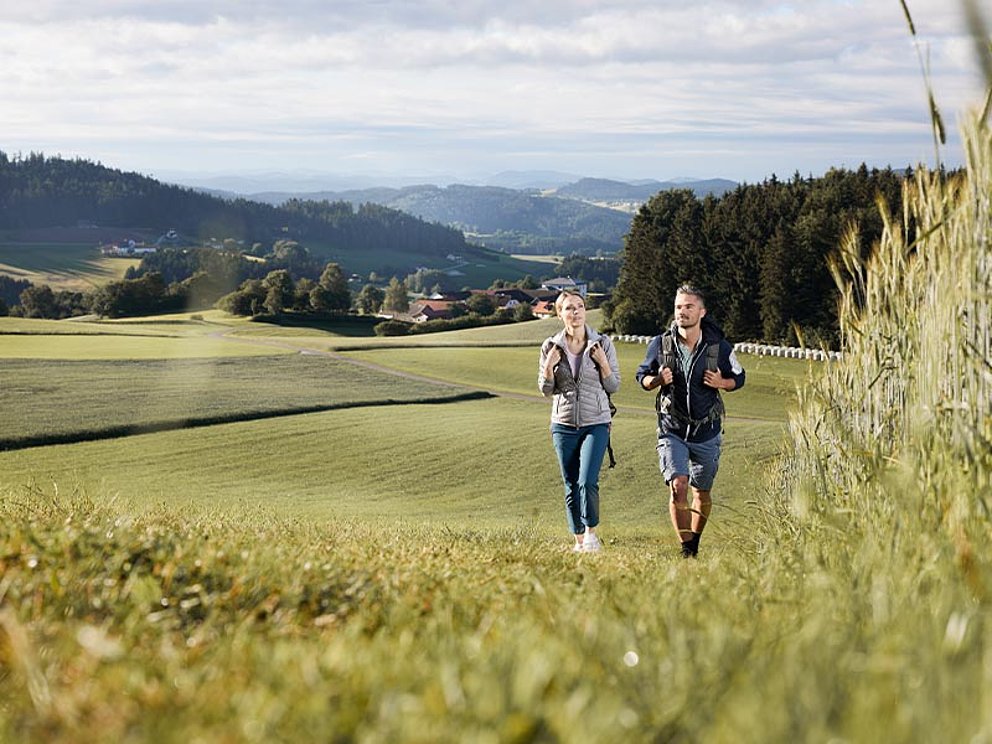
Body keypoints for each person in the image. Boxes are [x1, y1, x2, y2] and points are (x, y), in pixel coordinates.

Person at [635, 285, 745, 558]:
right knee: (678, 484)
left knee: (702, 492)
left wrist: (722, 382)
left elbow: (740, 377)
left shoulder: (719, 347)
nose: (682, 312)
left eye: (688, 307)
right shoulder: (660, 344)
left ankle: (694, 542)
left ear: (702, 312)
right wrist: (658, 380)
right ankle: (686, 550)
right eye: (678, 307)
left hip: (707, 431)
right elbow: (642, 378)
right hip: (672, 428)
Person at [539, 290, 621, 553]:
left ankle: (591, 536)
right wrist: (549, 367)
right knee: (571, 483)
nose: (575, 312)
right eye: (569, 308)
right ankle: (578, 542)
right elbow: (545, 389)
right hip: (562, 424)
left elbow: (614, 385)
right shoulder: (550, 347)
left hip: (596, 421)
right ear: (559, 313)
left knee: (587, 480)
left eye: (580, 306)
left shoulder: (602, 344)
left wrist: (603, 363)